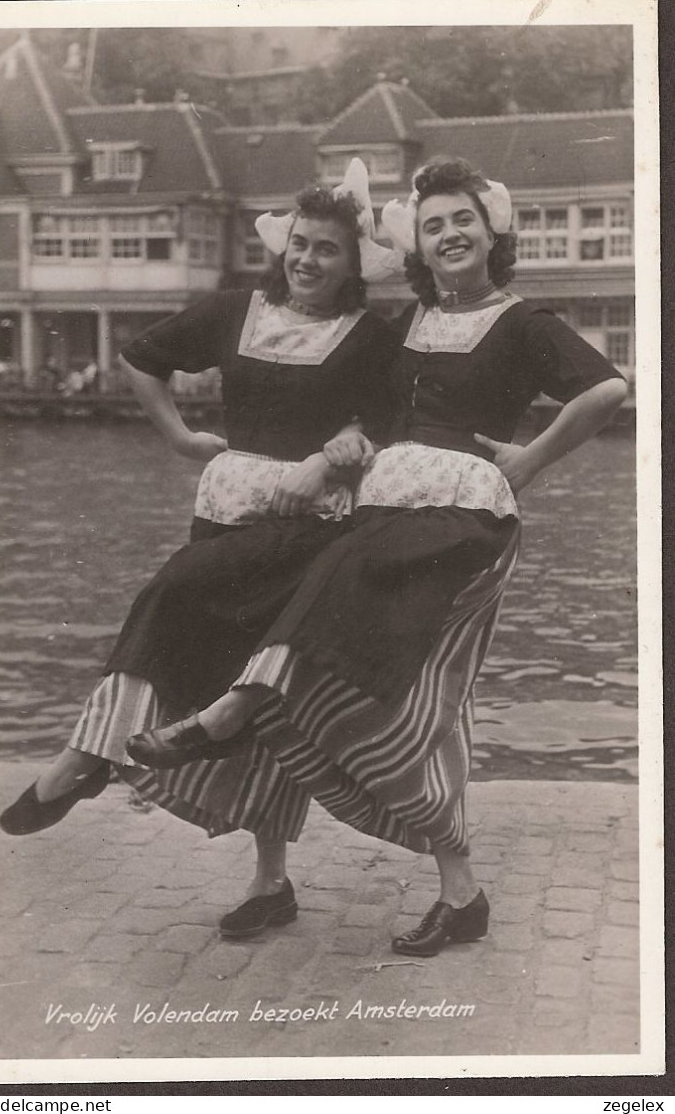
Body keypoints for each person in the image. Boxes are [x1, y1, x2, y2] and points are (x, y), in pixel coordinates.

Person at [126, 157, 628, 955]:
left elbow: (605, 390)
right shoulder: (406, 331)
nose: (449, 234)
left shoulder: (522, 320)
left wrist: (528, 461)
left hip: (460, 521)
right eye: (432, 226)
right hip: (384, 516)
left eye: (462, 219)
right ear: (417, 250)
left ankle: (233, 716)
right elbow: (353, 411)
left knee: (404, 693)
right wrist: (336, 449)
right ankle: (295, 862)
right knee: (297, 630)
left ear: (491, 232)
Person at [0, 160, 399, 937]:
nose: (307, 260)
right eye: (300, 244)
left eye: (326, 250)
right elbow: (142, 357)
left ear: (354, 267)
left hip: (307, 531)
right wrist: (180, 435)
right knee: (244, 690)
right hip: (224, 516)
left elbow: (388, 416)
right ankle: (270, 883)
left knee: (189, 605)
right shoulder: (232, 311)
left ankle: (87, 757)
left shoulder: (372, 335)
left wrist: (344, 441)